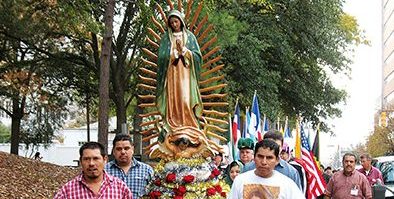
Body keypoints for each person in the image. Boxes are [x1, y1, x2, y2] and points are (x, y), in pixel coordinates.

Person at [228, 139, 305, 199]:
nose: (264, 162)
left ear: (277, 160)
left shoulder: (287, 185)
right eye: (260, 156)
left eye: (269, 158)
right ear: (254, 157)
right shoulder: (240, 181)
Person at [54, 142, 132, 198]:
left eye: (96, 158)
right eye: (86, 159)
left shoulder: (120, 188)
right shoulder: (68, 190)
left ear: (105, 160)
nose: (91, 163)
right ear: (81, 161)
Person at [105, 133, 153, 199]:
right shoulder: (105, 170)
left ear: (132, 149)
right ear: (113, 151)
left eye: (126, 148)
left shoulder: (147, 170)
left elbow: (153, 192)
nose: (123, 152)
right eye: (119, 149)